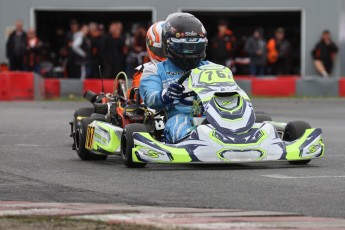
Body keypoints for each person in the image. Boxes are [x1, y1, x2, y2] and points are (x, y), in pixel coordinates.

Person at [139, 14, 209, 143]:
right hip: (178, 117)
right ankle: (193, 141)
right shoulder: (154, 70)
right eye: (185, 47)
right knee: (179, 122)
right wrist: (165, 95)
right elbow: (150, 98)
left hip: (212, 116)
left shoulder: (212, 68)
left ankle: (233, 136)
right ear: (168, 44)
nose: (190, 52)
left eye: (194, 47)